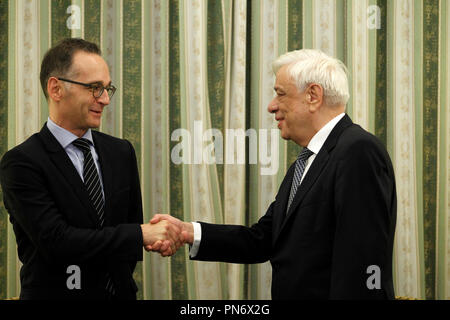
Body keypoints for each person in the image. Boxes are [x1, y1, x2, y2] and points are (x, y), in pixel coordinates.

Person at [150, 49, 397, 299]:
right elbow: (262, 240)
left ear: (313, 96)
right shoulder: (308, 160)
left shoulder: (358, 150)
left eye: (280, 94)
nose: (271, 106)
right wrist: (188, 232)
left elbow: (365, 260)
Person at [0, 38, 181, 300]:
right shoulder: (21, 162)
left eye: (108, 89)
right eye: (95, 88)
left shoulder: (121, 152)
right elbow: (57, 242)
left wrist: (150, 236)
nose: (105, 99)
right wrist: (140, 233)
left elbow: (128, 239)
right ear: (56, 88)